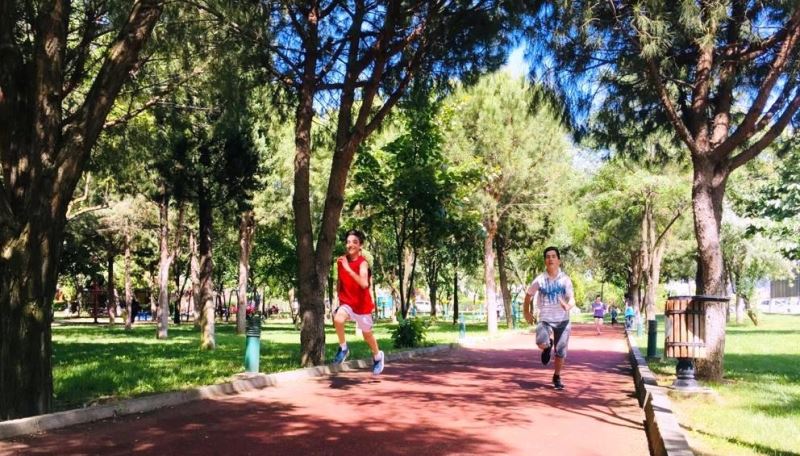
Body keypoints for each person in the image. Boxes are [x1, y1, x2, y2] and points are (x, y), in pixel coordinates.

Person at [332, 229, 385, 375]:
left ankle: (378, 356)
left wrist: (348, 269)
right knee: (338, 319)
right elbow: (339, 280)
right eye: (348, 242)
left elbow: (364, 284)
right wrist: (338, 296)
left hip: (362, 306)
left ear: (360, 245)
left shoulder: (363, 264)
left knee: (367, 336)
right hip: (347, 302)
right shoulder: (341, 261)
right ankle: (344, 348)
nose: (351, 245)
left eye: (355, 242)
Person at [523, 246, 575, 390]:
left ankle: (556, 376)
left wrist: (568, 306)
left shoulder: (565, 279)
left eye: (553, 256)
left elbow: (572, 299)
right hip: (545, 319)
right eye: (547, 257)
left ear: (559, 260)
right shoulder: (540, 279)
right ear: (545, 261)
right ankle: (547, 346)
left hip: (563, 321)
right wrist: (526, 312)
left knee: (560, 352)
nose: (550, 259)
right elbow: (528, 295)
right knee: (541, 342)